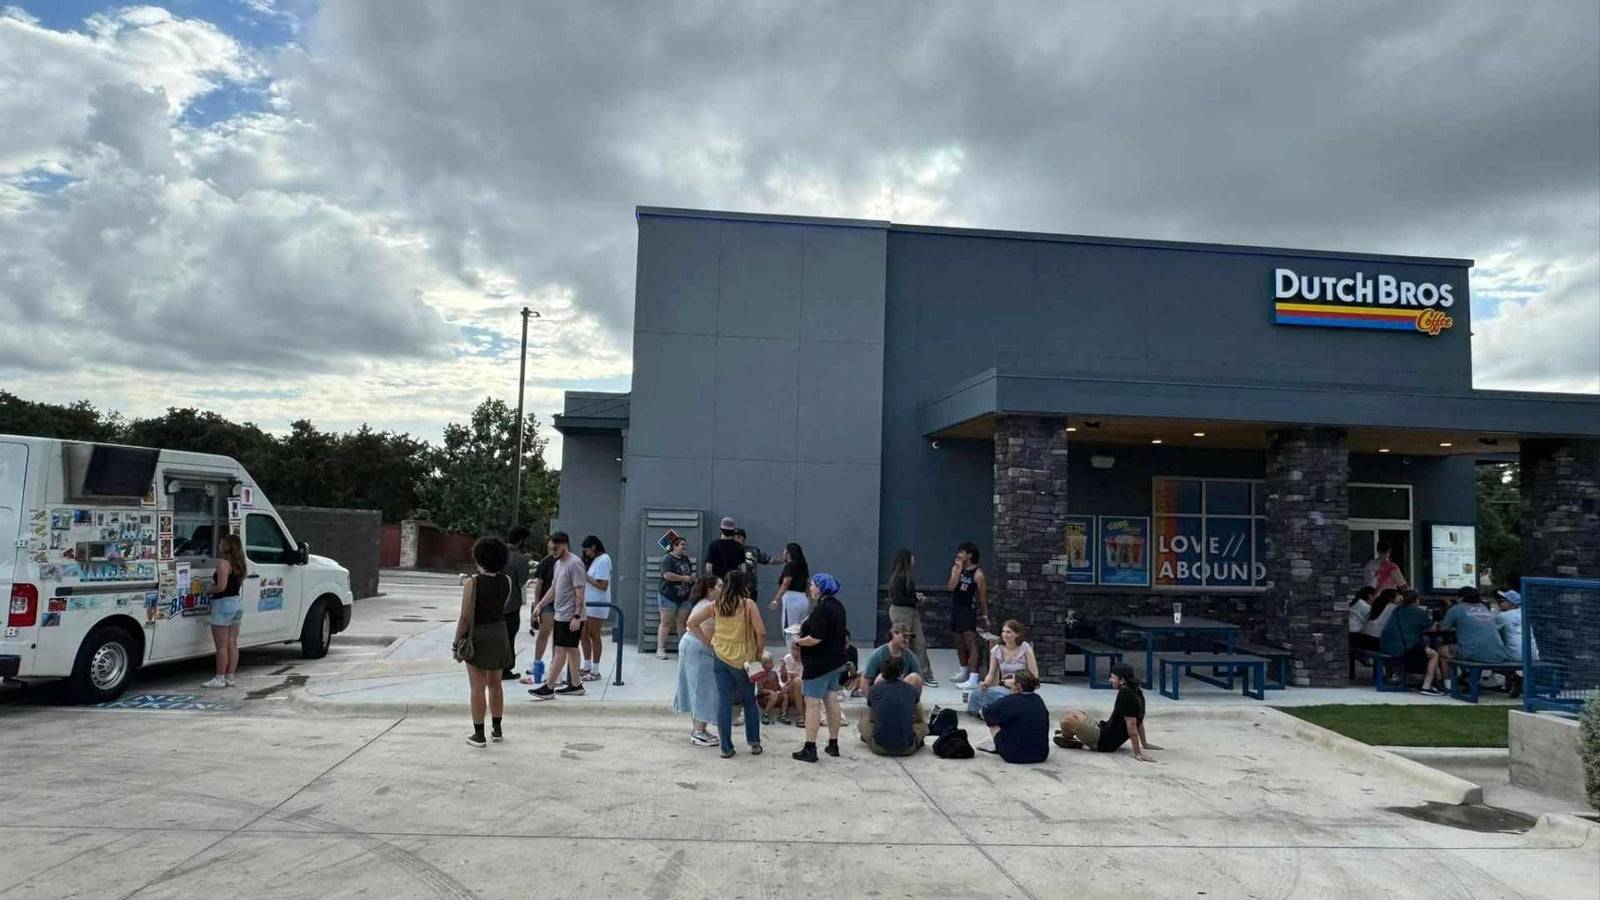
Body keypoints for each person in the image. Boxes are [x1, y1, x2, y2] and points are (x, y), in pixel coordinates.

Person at [688, 570, 765, 758]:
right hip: (743, 658)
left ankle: (726, 748)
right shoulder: (748, 605)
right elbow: (761, 632)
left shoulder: (716, 605)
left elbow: (691, 623)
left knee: (724, 700)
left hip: (720, 655)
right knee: (748, 700)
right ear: (743, 585)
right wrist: (757, 654)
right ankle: (754, 743)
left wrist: (709, 642)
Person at [455, 536, 515, 747]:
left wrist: (456, 642)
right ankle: (497, 729)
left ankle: (478, 733)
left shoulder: (473, 583)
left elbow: (465, 617)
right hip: (500, 633)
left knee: (477, 687)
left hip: (478, 635)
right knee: (495, 684)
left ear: (479, 558)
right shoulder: (506, 581)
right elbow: (502, 606)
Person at [792, 573, 850, 763]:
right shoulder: (838, 606)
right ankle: (833, 744)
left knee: (813, 704)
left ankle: (810, 747)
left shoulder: (821, 610)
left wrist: (798, 641)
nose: (811, 588)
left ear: (821, 588)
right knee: (832, 700)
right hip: (835, 662)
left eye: (813, 585)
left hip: (818, 664)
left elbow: (815, 638)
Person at [528, 533, 587, 700]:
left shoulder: (574, 564)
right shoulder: (558, 564)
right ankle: (576, 685)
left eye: (555, 548)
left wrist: (576, 616)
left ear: (564, 546)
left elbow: (580, 591)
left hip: (570, 615)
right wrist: (540, 605)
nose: (552, 552)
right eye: (550, 549)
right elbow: (554, 589)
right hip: (560, 613)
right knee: (572, 649)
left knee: (561, 649)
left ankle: (549, 686)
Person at [1061, 664, 1161, 761]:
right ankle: (1070, 738)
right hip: (1103, 729)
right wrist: (1144, 743)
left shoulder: (1125, 694)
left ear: (1122, 680)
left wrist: (1137, 753)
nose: (1110, 680)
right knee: (1074, 712)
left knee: (1067, 721)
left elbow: (1132, 723)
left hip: (1103, 741)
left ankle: (1068, 738)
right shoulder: (1137, 691)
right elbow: (1140, 720)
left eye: (1113, 678)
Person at [1428, 587, 1508, 696]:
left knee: (1443, 650)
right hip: (1497, 652)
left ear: (1461, 598)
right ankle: (1469, 680)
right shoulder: (1484, 607)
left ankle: (1448, 685)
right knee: (1469, 647)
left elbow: (1443, 628)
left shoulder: (1457, 608)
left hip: (1473, 652)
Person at [672, 576, 722, 747]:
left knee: (697, 688)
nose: (722, 589)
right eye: (720, 586)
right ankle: (698, 731)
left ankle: (699, 729)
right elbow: (702, 629)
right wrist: (710, 644)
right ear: (710, 589)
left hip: (692, 646)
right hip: (698, 649)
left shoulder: (705, 604)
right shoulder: (707, 606)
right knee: (701, 688)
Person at [201, 533, 247, 688]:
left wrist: (208, 589)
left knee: (221, 645)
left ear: (227, 546)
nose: (219, 545)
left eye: (221, 543)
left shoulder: (223, 564)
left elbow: (221, 587)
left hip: (223, 605)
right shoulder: (240, 563)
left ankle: (219, 678)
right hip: (236, 604)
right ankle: (230, 677)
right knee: (232, 643)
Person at [966, 619, 1039, 717]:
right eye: (1003, 632)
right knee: (976, 694)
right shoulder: (997, 650)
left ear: (1017, 634)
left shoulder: (1025, 648)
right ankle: (987, 713)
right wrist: (985, 683)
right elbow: (991, 674)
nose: (1005, 635)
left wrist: (1017, 682)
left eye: (1008, 632)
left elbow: (1034, 676)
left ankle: (993, 713)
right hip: (1004, 686)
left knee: (1000, 698)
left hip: (1020, 688)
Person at [886, 548, 936, 686]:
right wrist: (917, 600)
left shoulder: (904, 577)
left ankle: (924, 674)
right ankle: (900, 673)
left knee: (919, 642)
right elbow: (898, 599)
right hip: (901, 612)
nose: (914, 559)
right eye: (911, 557)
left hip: (910, 611)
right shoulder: (899, 577)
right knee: (902, 643)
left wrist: (915, 597)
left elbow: (904, 596)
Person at [860, 655, 927, 756]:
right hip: (907, 748)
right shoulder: (911, 690)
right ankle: (916, 741)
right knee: (923, 726)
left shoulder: (874, 690)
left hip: (879, 747)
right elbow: (919, 718)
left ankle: (869, 738)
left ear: (882, 674)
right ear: (902, 673)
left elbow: (872, 718)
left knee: (863, 723)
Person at [978, 670, 1049, 764]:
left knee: (993, 719)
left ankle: (997, 744)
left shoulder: (1009, 701)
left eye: (1011, 678)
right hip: (1041, 754)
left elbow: (983, 713)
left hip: (1014, 755)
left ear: (1018, 686)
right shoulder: (1038, 700)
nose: (1008, 680)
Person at [947, 542, 989, 690]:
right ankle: (964, 670)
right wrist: (957, 571)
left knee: (970, 642)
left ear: (970, 555)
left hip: (968, 610)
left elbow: (982, 597)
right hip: (956, 608)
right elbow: (951, 587)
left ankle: (973, 677)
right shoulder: (957, 568)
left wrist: (985, 616)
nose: (959, 555)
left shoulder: (978, 573)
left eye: (962, 552)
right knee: (958, 641)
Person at [1380, 589, 1438, 689]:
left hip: (1386, 646)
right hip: (1405, 648)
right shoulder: (1419, 612)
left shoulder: (1396, 610)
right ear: (1416, 600)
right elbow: (1433, 628)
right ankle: (1427, 686)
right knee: (1434, 655)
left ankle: (1396, 676)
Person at [656, 535, 697, 660]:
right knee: (666, 623)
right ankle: (660, 649)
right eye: (682, 545)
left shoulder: (685, 559)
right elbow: (667, 575)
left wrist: (691, 579)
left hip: (684, 596)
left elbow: (689, 572)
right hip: (668, 596)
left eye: (685, 545)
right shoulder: (667, 559)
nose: (684, 547)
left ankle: (683, 650)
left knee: (682, 623)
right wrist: (684, 578)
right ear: (675, 546)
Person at [578, 536, 612, 681]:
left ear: (593, 547)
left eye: (587, 551)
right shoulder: (595, 561)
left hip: (597, 603)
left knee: (594, 635)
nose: (586, 554)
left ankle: (595, 669)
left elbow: (603, 585)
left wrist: (585, 577)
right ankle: (586, 665)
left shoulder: (604, 560)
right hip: (588, 603)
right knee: (583, 634)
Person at [501, 526, 531, 681]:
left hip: (496, 603)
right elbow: (522, 581)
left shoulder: (499, 552)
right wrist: (526, 563)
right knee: (509, 637)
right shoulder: (519, 558)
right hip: (511, 604)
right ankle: (506, 669)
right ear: (522, 541)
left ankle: (495, 667)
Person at [858, 621, 924, 691]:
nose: (907, 641)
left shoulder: (910, 656)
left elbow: (919, 680)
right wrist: (870, 700)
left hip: (902, 692)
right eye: (904, 637)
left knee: (915, 677)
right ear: (894, 634)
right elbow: (865, 680)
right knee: (881, 678)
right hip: (882, 694)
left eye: (908, 638)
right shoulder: (878, 654)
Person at [522, 550, 557, 682]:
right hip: (547, 602)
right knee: (544, 632)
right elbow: (539, 584)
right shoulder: (546, 562)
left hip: (561, 603)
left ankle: (555, 664)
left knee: (557, 636)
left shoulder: (567, 562)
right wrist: (537, 604)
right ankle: (537, 661)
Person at [767, 542, 811, 645]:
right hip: (803, 598)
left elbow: (786, 583)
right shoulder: (803, 565)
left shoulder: (790, 565)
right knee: (800, 630)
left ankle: (791, 655)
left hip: (791, 599)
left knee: (789, 631)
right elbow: (807, 583)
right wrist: (808, 598)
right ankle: (799, 655)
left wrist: (776, 600)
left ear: (788, 553)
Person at [734, 528, 777, 601]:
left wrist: (782, 560)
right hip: (734, 588)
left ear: (744, 539)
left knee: (750, 610)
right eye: (734, 538)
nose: (736, 540)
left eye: (739, 538)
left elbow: (768, 560)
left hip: (750, 588)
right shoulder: (728, 550)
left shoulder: (753, 550)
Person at [777, 645, 805, 726]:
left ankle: (801, 716)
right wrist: (783, 670)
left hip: (804, 690)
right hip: (790, 690)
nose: (796, 653)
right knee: (796, 682)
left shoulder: (808, 660)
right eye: (794, 649)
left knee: (798, 682)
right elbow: (783, 680)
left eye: (799, 650)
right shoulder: (788, 658)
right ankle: (800, 716)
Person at [755, 651, 784, 724]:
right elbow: (760, 690)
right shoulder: (760, 676)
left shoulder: (774, 673)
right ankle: (765, 714)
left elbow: (777, 685)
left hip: (775, 695)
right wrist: (770, 692)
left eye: (772, 662)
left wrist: (782, 689)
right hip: (764, 697)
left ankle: (783, 713)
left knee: (785, 695)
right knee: (774, 696)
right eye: (769, 663)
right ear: (762, 665)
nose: (772, 664)